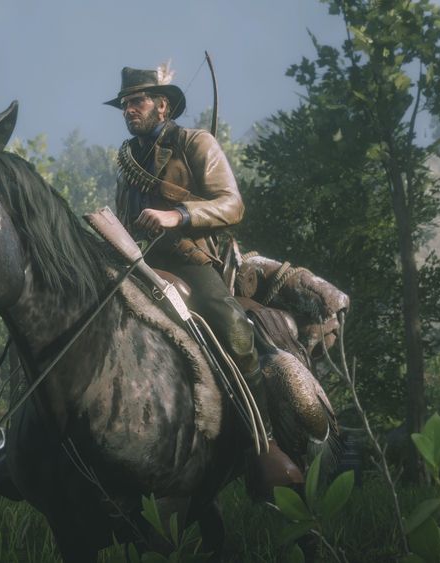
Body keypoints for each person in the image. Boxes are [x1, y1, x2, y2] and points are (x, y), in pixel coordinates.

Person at [105, 64, 301, 493]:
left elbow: (232, 205)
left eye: (136, 101)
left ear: (162, 105)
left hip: (189, 259)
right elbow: (124, 218)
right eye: (124, 104)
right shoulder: (127, 160)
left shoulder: (195, 143)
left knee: (233, 328)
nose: (128, 110)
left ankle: (263, 441)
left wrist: (177, 216)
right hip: (138, 263)